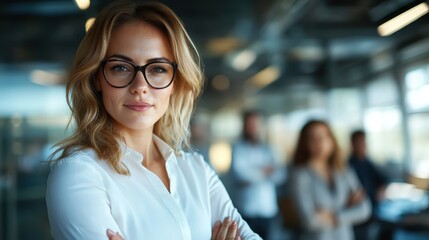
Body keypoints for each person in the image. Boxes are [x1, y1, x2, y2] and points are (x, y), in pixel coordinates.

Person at [45, 1, 261, 239]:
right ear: (97, 78)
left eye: (157, 69)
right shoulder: (78, 174)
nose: (140, 87)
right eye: (120, 67)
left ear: (175, 82)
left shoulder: (195, 170)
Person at [288, 120, 371, 240]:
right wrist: (347, 208)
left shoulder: (343, 170)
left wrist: (333, 216)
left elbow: (365, 209)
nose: (320, 142)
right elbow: (309, 221)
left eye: (324, 136)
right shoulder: (299, 174)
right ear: (304, 143)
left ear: (332, 139)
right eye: (313, 138)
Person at [230, 110, 284, 239]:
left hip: (268, 209)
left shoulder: (269, 148)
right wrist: (265, 171)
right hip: (247, 209)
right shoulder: (238, 148)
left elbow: (280, 175)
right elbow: (240, 175)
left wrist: (253, 173)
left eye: (256, 124)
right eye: (250, 124)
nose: (253, 128)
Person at [348, 130, 388, 240]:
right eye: (359, 142)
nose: (362, 145)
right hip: (357, 216)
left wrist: (381, 190)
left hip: (372, 210)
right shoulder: (347, 165)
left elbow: (382, 179)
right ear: (352, 143)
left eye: (364, 142)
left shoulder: (367, 162)